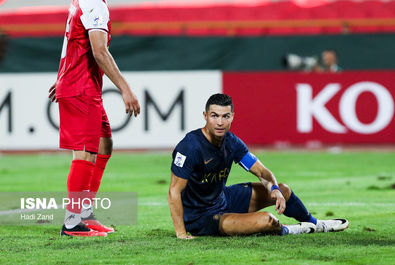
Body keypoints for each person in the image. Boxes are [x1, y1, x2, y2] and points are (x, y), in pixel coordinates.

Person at [168, 94, 348, 239]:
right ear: (205, 116)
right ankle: (293, 229)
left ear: (232, 117)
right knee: (267, 220)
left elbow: (262, 171)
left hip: (224, 199)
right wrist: (181, 233)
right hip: (202, 217)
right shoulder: (190, 147)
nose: (220, 122)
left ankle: (315, 224)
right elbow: (174, 191)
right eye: (214, 116)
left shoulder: (231, 142)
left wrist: (274, 188)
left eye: (225, 116)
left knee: (284, 190)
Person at [49, 0, 140, 237]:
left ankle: (85, 214)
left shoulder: (81, 3)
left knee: (103, 145)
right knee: (85, 152)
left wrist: (63, 77)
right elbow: (100, 52)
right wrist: (125, 88)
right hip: (81, 88)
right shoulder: (93, 5)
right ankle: (71, 223)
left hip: (81, 84)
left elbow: (73, 45)